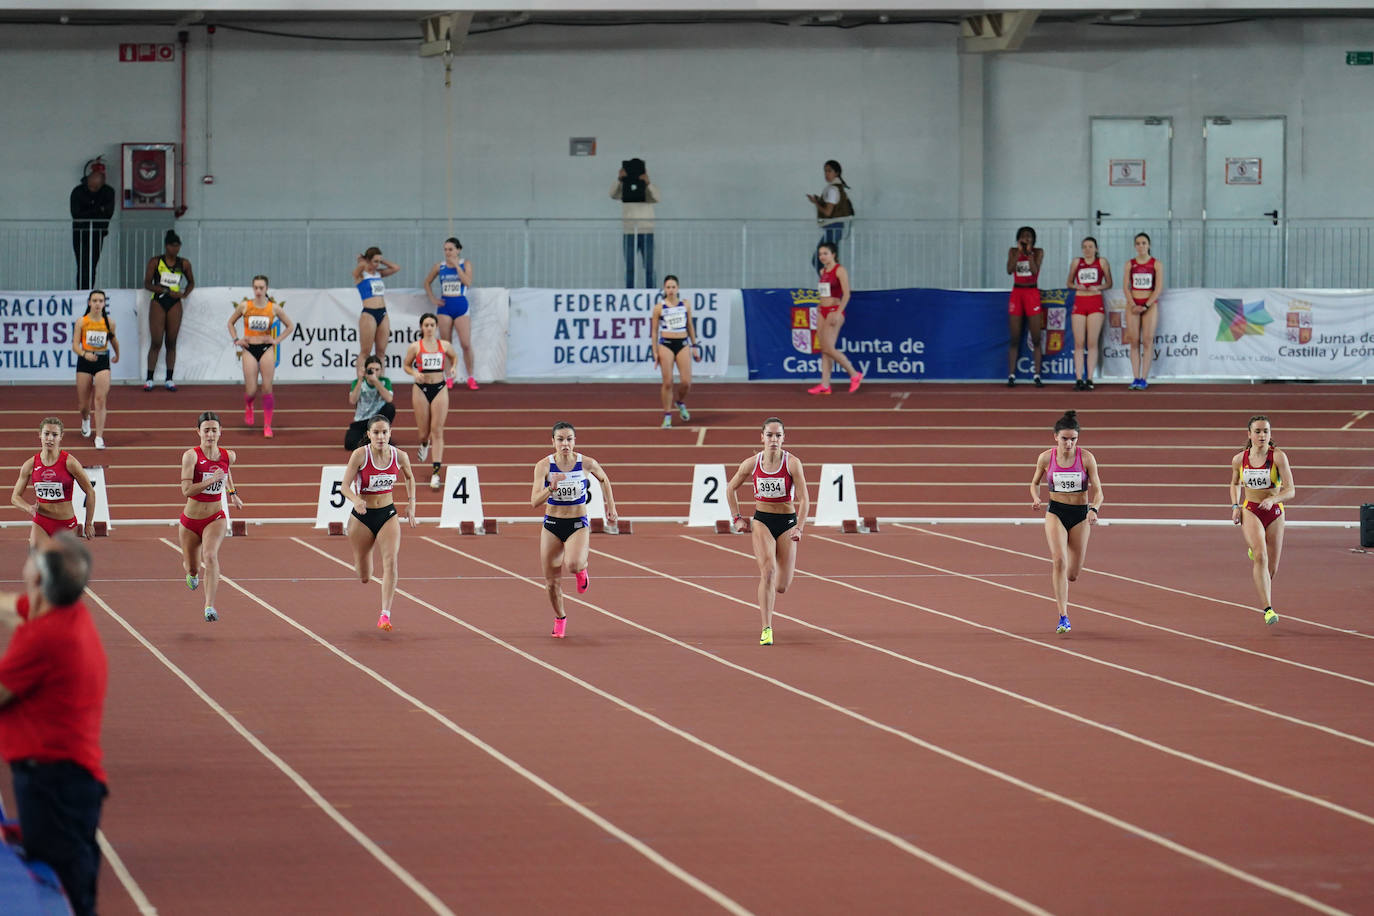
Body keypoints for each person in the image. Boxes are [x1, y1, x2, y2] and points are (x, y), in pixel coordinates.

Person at [0, 533, 108, 916]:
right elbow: (11, 607)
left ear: (40, 580)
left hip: (53, 783)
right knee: (72, 875)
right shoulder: (65, 611)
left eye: (34, 556)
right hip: (68, 780)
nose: (26, 558)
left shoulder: (46, 639)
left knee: (61, 889)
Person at [723, 417, 809, 646]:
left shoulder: (792, 463)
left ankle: (769, 616)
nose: (773, 440)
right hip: (762, 520)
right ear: (762, 437)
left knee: (781, 586)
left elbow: (804, 498)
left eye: (778, 435)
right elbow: (730, 488)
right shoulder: (752, 463)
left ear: (784, 438)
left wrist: (799, 527)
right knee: (768, 571)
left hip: (788, 522)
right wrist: (737, 518)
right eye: (769, 435)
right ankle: (766, 627)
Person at [529, 422, 618, 638]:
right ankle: (560, 618)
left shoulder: (586, 463)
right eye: (560, 439)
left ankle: (581, 570)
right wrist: (551, 487)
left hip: (577, 523)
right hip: (552, 524)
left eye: (569, 439)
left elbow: (604, 479)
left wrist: (611, 507)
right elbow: (534, 502)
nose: (565, 444)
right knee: (551, 582)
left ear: (574, 441)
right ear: (553, 442)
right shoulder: (544, 466)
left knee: (573, 563)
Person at [1030, 410, 1104, 635]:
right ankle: (1063, 616)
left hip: (1080, 514)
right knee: (1058, 560)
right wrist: (1036, 497)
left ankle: (1067, 592)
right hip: (1056, 511)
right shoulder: (1045, 458)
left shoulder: (1086, 458)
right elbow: (1034, 483)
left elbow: (1099, 491)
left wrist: (1093, 509)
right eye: (1065, 438)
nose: (1069, 443)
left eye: (1073, 439)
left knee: (1072, 574)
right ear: (1055, 437)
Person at [340, 415, 417, 632]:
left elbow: (410, 478)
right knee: (365, 575)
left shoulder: (400, 456)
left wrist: (411, 504)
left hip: (387, 514)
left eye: (384, 432)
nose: (381, 437)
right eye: (376, 433)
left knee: (391, 561)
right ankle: (364, 563)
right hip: (362, 518)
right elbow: (344, 486)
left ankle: (385, 614)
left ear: (390, 434)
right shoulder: (360, 455)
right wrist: (356, 500)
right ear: (369, 435)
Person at [1230, 415, 1296, 626]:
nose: (1262, 435)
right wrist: (1234, 506)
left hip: (1275, 512)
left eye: (1266, 431)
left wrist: (1274, 499)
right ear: (1249, 434)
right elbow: (1234, 483)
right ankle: (1268, 609)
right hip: (1251, 510)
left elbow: (1291, 490)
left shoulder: (1278, 457)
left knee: (1271, 569)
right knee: (1260, 556)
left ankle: (1256, 552)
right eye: (1257, 431)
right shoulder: (1240, 459)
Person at [178, 411, 242, 623]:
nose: (210, 435)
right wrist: (209, 481)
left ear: (220, 432)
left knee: (211, 555)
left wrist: (232, 494)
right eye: (206, 430)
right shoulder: (191, 456)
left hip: (215, 517)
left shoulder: (228, 455)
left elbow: (226, 471)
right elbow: (186, 490)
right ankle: (192, 574)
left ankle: (209, 606)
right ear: (198, 432)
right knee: (192, 567)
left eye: (214, 430)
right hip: (190, 522)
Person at [9, 418, 97, 547]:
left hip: (65, 523)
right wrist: (29, 508)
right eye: (46, 434)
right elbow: (15, 497)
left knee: (63, 565)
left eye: (54, 435)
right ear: (40, 435)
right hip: (41, 522)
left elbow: (90, 491)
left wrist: (88, 523)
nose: (50, 438)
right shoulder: (30, 465)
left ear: (61, 437)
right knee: (38, 561)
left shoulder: (70, 463)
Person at [227, 275, 295, 438]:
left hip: (266, 348)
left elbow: (290, 326)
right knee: (251, 391)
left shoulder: (273, 308)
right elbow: (230, 323)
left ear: (266, 289)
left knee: (267, 388)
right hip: (249, 348)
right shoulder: (245, 306)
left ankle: (267, 425)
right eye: (256, 288)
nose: (258, 291)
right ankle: (249, 404)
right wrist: (237, 339)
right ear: (253, 288)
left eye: (261, 288)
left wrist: (276, 340)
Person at [402, 313, 457, 490]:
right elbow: (406, 365)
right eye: (426, 325)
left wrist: (454, 368)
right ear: (421, 327)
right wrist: (413, 373)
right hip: (420, 389)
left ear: (436, 327)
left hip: (440, 388)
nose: (429, 328)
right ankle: (424, 443)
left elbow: (454, 357)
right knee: (423, 433)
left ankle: (435, 472)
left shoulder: (444, 345)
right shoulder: (415, 347)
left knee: (437, 430)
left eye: (432, 325)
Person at [142, 229, 196, 392]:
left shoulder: (184, 263)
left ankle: (169, 378)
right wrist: (165, 291)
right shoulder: (156, 262)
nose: (175, 249)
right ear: (166, 246)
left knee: (171, 341)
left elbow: (191, 282)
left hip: (175, 302)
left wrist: (184, 294)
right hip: (159, 300)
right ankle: (149, 378)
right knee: (156, 341)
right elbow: (147, 283)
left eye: (178, 246)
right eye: (172, 246)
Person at [422, 237, 479, 391]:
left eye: (451, 249)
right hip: (445, 307)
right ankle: (449, 377)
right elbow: (427, 282)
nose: (447, 252)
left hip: (460, 305)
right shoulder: (439, 267)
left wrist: (456, 267)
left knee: (466, 344)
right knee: (446, 344)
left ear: (458, 250)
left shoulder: (465, 263)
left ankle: (471, 377)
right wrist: (433, 298)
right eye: (445, 249)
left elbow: (467, 282)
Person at [807, 242, 862, 395]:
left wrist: (838, 312)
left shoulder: (840, 270)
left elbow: (847, 294)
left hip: (834, 310)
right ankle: (825, 385)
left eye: (825, 253)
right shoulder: (822, 270)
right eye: (820, 254)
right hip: (822, 311)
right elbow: (824, 292)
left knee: (828, 348)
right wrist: (820, 304)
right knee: (824, 349)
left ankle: (854, 374)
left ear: (833, 254)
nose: (822, 257)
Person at [649, 275, 701, 428]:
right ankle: (667, 415)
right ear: (664, 289)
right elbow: (653, 331)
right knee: (668, 382)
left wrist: (695, 345)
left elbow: (690, 325)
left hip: (683, 343)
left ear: (677, 288)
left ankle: (680, 402)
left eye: (673, 287)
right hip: (666, 344)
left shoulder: (685, 305)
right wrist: (655, 351)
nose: (671, 290)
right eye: (668, 287)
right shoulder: (659, 307)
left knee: (686, 382)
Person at [72, 290, 119, 450]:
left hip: (102, 362)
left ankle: (99, 436)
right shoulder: (82, 322)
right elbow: (75, 346)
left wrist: (117, 355)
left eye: (101, 300)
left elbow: (113, 340)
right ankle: (85, 419)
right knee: (83, 404)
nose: (98, 303)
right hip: (85, 361)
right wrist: (85, 354)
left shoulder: (109, 323)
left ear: (104, 303)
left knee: (100, 399)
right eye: (95, 300)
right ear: (89, 303)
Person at [1067, 237, 1112, 391]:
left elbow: (1109, 283)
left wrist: (1098, 287)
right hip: (1080, 301)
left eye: (1090, 246)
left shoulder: (1102, 262)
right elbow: (1069, 283)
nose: (1087, 249)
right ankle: (1079, 378)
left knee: (1092, 342)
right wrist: (1077, 285)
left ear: (1096, 248)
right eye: (1084, 247)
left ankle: (1090, 378)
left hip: (1095, 302)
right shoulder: (1076, 262)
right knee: (1079, 343)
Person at [1006, 226, 1045, 388]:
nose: (1026, 239)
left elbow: (1035, 271)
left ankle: (1036, 374)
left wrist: (1029, 254)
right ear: (1018, 238)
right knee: (1015, 337)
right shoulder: (1013, 251)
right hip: (1017, 293)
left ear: (1034, 239)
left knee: (1036, 337)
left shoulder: (1038, 252)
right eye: (1023, 236)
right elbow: (1009, 270)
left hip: (1032, 293)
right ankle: (1011, 375)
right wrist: (1019, 253)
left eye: (1029, 236)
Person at [1123, 232, 1164, 390]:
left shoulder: (1156, 264)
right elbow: (1126, 286)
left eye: (1144, 243)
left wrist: (1146, 305)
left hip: (1150, 304)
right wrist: (1133, 304)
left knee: (1147, 340)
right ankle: (1135, 377)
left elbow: (1158, 287)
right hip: (1133, 304)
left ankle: (1144, 378)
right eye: (1138, 243)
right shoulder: (1129, 264)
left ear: (1149, 245)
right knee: (1134, 341)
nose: (1141, 246)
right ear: (1135, 246)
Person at [352, 246, 400, 379]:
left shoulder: (379, 273)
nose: (377, 264)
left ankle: (381, 381)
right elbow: (355, 272)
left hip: (382, 313)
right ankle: (361, 382)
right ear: (368, 261)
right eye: (375, 261)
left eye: (379, 261)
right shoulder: (361, 275)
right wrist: (364, 262)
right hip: (369, 313)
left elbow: (396, 268)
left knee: (381, 352)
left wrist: (381, 261)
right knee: (365, 351)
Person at [610, 160, 659, 289]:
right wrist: (619, 179)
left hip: (647, 231)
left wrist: (647, 183)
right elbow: (612, 194)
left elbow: (657, 197)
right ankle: (629, 291)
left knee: (649, 266)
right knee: (629, 267)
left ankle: (651, 291)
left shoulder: (647, 188)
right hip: (629, 231)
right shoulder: (624, 187)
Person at [70, 161, 114, 289]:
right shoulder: (78, 191)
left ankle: (89, 289)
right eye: (91, 187)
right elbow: (76, 214)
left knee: (92, 264)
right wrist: (97, 209)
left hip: (97, 232)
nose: (93, 190)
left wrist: (90, 212)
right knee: (82, 264)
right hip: (80, 232)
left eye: (96, 188)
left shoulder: (108, 192)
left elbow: (108, 213)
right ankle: (81, 291)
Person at [806, 160, 854, 272]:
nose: (826, 174)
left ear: (836, 173)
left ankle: (830, 287)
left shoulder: (832, 189)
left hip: (833, 228)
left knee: (820, 261)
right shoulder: (837, 188)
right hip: (835, 228)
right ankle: (831, 286)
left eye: (829, 171)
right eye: (825, 171)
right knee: (826, 261)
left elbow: (828, 212)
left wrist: (816, 203)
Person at [345, 355, 396, 451]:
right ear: (365, 370)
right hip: (362, 421)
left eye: (377, 370)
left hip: (377, 420)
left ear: (381, 371)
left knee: (390, 408)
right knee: (349, 444)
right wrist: (360, 380)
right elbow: (352, 400)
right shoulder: (358, 382)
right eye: (371, 369)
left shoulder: (385, 381)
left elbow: (389, 399)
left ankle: (379, 436)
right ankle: (371, 441)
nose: (374, 372)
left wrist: (376, 381)